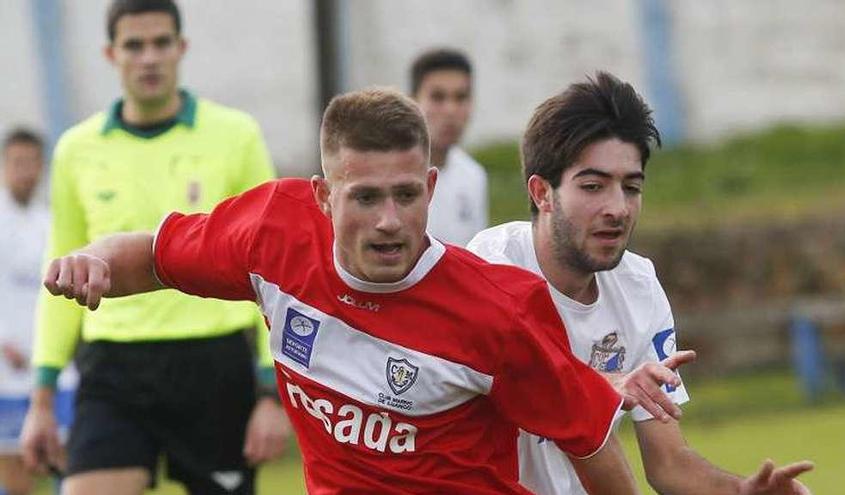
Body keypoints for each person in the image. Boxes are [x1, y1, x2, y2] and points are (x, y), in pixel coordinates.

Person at [40, 87, 642, 494]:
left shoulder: (499, 311)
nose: (389, 220)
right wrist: (93, 263)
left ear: (431, 188)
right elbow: (150, 254)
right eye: (365, 198)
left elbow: (588, 440)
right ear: (324, 196)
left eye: (406, 195)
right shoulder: (272, 233)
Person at [467, 72, 814, 495]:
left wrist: (741, 492)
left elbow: (668, 463)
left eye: (631, 187)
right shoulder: (489, 270)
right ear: (542, 193)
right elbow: (543, 391)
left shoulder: (639, 286)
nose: (617, 208)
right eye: (593, 186)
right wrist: (610, 386)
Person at [20, 1, 289, 494]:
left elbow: (270, 266)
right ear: (111, 53)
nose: (149, 58)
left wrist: (271, 391)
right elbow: (57, 267)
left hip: (214, 364)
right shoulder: (77, 149)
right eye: (134, 45)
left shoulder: (236, 135)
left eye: (161, 43)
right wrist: (42, 398)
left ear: (181, 48)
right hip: (114, 366)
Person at [0, 129, 75, 495]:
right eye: (17, 163)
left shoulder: (52, 221)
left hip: (54, 370)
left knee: (68, 463)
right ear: (3, 166)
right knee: (16, 478)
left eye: (32, 163)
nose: (25, 171)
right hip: (5, 371)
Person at [411, 48, 488, 245]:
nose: (451, 111)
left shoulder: (473, 175)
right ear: (413, 102)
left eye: (460, 97)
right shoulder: (392, 176)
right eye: (438, 97)